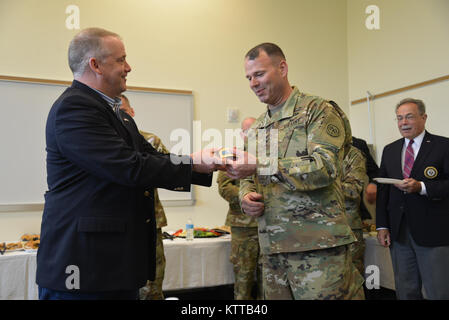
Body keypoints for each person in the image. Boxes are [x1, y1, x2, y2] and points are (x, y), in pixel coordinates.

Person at [36, 27, 223, 300]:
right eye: (121, 60)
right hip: (84, 270)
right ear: (95, 65)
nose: (129, 67)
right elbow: (129, 167)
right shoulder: (75, 108)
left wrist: (199, 162)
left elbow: (151, 157)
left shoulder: (116, 114)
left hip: (114, 267)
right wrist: (193, 164)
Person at [229, 43, 364, 299]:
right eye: (248, 77)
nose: (253, 83)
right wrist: (245, 197)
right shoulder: (257, 127)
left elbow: (325, 167)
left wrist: (263, 164)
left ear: (282, 68)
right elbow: (248, 177)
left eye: (259, 74)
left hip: (318, 249)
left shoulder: (318, 111)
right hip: (272, 250)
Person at [376, 98, 449, 300]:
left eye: (409, 116)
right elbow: (383, 190)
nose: (403, 123)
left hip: (433, 232)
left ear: (424, 118)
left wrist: (422, 187)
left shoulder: (443, 146)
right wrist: (382, 225)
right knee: (406, 290)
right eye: (399, 118)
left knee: (438, 291)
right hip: (399, 234)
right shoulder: (389, 150)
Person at [120, 94, 167, 300]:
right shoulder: (104, 142)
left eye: (124, 111)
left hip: (149, 221)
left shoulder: (149, 140)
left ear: (132, 113)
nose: (120, 116)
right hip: (118, 223)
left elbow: (168, 171)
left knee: (152, 285)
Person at [217, 117, 262, 300]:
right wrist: (248, 197)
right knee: (244, 278)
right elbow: (225, 188)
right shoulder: (231, 155)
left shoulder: (269, 156)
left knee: (269, 279)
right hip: (243, 226)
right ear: (242, 134)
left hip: (270, 225)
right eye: (248, 131)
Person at [341, 145, 368, 276]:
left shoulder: (353, 154)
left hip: (347, 227)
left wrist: (321, 185)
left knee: (353, 276)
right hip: (317, 228)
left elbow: (353, 190)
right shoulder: (312, 152)